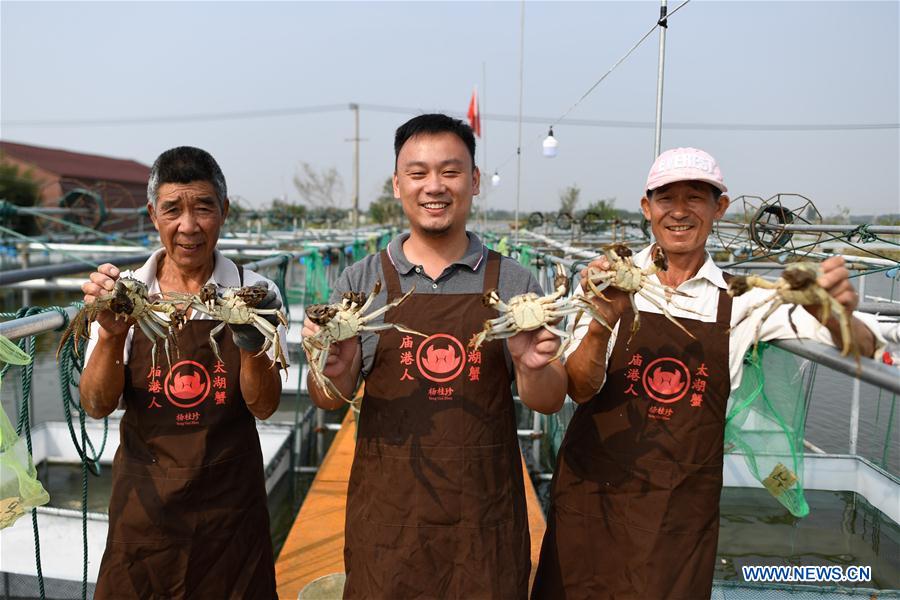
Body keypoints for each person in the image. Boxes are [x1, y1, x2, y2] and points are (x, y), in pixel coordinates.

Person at [531, 147, 885, 600]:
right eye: (665, 198)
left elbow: (865, 344)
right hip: (589, 505)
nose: (679, 211)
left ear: (719, 207)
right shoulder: (605, 281)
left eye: (695, 197)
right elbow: (578, 389)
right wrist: (604, 319)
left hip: (676, 520)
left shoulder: (742, 303)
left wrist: (834, 308)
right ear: (647, 208)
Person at [302, 114, 567, 599]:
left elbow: (548, 401)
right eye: (418, 172)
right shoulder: (361, 283)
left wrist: (533, 367)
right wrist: (330, 367)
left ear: (474, 180)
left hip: (484, 523)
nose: (435, 187)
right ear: (397, 183)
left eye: (450, 171)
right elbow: (328, 398)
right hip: (389, 523)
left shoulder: (515, 283)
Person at [78, 146, 286, 599]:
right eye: (173, 209)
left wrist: (250, 338)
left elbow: (265, 405)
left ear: (224, 212)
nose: (188, 226)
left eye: (204, 208)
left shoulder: (257, 293)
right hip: (145, 514)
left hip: (231, 514)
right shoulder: (128, 293)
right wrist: (111, 335)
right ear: (154, 214)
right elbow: (95, 406)